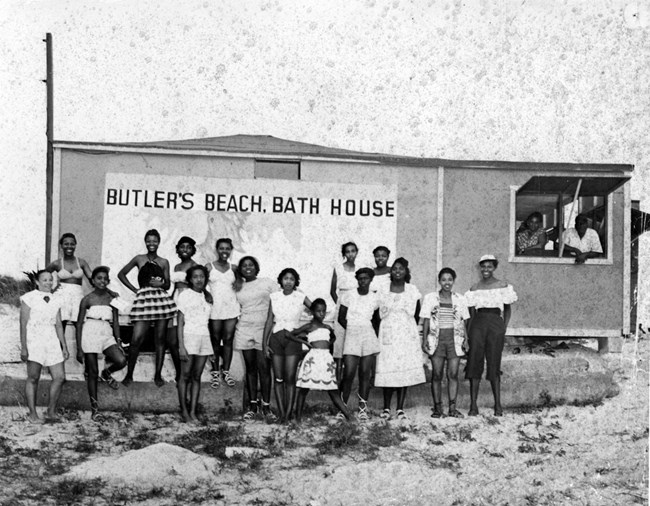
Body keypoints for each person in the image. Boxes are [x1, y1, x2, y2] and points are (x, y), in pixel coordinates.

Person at [118, 229, 175, 387]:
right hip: (144, 299)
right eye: (149, 241)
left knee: (160, 339)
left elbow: (168, 284)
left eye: (154, 241)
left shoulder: (164, 261)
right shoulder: (139, 258)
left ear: (159, 242)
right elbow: (121, 274)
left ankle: (158, 375)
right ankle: (129, 374)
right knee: (136, 339)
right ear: (145, 242)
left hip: (160, 300)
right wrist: (135, 290)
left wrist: (161, 284)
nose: (152, 243)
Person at [464, 255, 517, 417]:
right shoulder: (474, 288)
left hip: (495, 323)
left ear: (494, 268)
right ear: (480, 268)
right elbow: (470, 313)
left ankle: (498, 405)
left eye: (489, 267)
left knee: (494, 361)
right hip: (478, 324)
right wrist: (468, 334)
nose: (486, 270)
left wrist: (503, 327)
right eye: (483, 267)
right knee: (474, 360)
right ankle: (473, 405)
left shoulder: (502, 286)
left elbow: (507, 309)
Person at [375, 258, 424, 420]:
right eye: (394, 268)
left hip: (405, 332)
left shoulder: (411, 289)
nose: (397, 271)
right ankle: (387, 407)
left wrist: (409, 330)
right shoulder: (383, 289)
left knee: (404, 367)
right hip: (388, 330)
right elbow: (376, 313)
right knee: (388, 367)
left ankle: (400, 408)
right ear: (391, 271)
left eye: (401, 269)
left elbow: (416, 313)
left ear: (406, 271)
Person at [76, 266, 127, 420]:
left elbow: (116, 322)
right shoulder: (87, 299)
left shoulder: (113, 298)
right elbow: (79, 324)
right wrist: (79, 348)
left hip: (106, 331)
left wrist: (118, 341)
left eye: (105, 278)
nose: (102, 281)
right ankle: (95, 409)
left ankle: (106, 373)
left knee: (121, 360)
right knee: (92, 372)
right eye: (99, 278)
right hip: (90, 331)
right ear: (92, 280)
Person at [19, 270, 69, 423]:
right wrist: (24, 347)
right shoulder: (29, 298)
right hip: (35, 339)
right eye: (45, 280)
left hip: (52, 339)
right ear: (37, 282)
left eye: (50, 280)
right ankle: (33, 414)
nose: (48, 282)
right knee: (33, 377)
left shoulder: (56, 299)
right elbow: (23, 323)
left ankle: (51, 411)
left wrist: (64, 346)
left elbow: (59, 325)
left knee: (59, 377)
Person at [420, 267, 470, 418]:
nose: (446, 283)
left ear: (454, 281)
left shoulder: (460, 299)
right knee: (436, 374)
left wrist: (466, 340)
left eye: (449, 279)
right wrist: (424, 340)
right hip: (437, 339)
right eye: (443, 280)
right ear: (439, 281)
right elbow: (427, 320)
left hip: (454, 339)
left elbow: (463, 322)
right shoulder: (430, 298)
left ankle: (452, 409)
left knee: (453, 374)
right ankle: (437, 408)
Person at [293, 299, 352, 422]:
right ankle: (298, 417)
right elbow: (291, 334)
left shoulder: (327, 327)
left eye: (324, 311)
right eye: (318, 311)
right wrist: (305, 343)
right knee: (304, 388)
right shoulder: (309, 326)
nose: (321, 314)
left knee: (332, 389)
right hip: (313, 358)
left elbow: (333, 337)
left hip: (325, 359)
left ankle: (349, 416)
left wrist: (327, 346)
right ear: (312, 312)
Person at [265, 268, 311, 422]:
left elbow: (316, 311)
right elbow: (269, 320)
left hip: (293, 338)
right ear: (281, 280)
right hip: (276, 337)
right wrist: (265, 343)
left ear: (295, 281)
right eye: (285, 278)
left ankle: (288, 413)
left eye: (292, 279)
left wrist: (304, 331)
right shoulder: (274, 297)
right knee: (278, 378)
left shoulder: (300, 296)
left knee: (290, 378)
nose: (288, 281)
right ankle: (281, 413)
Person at [234, 256, 277, 421]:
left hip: (263, 329)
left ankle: (266, 406)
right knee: (250, 369)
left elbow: (283, 299)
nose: (248, 267)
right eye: (244, 265)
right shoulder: (238, 286)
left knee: (264, 368)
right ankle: (252, 405)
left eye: (251, 265)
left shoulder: (267, 283)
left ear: (256, 267)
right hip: (244, 328)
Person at [338, 267, 380, 421]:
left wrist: (368, 331)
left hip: (367, 333)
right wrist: (352, 330)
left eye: (366, 278)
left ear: (370, 280)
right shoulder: (349, 295)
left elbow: (376, 319)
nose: (363, 281)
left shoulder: (375, 298)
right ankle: (343, 408)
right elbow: (341, 317)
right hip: (352, 332)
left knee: (365, 373)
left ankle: (362, 407)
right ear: (357, 280)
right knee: (348, 372)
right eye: (360, 278)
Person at [176, 265, 213, 423]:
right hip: (189, 336)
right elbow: (180, 322)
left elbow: (208, 322)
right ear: (190, 279)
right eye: (195, 277)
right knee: (185, 376)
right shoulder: (185, 295)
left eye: (202, 276)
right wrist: (181, 346)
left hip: (204, 337)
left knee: (197, 376)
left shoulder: (208, 296)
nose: (199, 279)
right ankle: (184, 411)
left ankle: (193, 411)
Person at [205, 238, 240, 389]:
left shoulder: (235, 268)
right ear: (217, 250)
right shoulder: (209, 266)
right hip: (215, 308)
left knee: (228, 339)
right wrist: (206, 293)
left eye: (227, 248)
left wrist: (239, 282)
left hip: (231, 308)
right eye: (221, 248)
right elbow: (200, 283)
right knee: (215, 339)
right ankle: (215, 372)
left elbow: (239, 283)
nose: (224, 251)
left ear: (231, 250)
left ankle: (226, 370)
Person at [167, 236, 199, 381]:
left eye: (188, 247)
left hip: (189, 300)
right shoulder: (176, 267)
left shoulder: (194, 266)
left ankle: (189, 374)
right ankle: (180, 372)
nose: (185, 249)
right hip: (176, 300)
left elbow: (198, 286)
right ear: (178, 249)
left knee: (188, 338)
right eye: (182, 247)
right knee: (172, 340)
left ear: (193, 250)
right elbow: (174, 286)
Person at [46, 233, 93, 330]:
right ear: (61, 246)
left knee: (79, 324)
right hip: (62, 294)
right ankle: (60, 345)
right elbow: (42, 277)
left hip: (77, 294)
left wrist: (108, 291)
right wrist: (49, 292)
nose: (69, 246)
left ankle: (80, 345)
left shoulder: (81, 262)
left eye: (72, 244)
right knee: (60, 324)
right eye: (66, 244)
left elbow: (93, 279)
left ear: (75, 245)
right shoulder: (56, 263)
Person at [330, 241, 359, 385]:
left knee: (353, 343)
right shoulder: (339, 268)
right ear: (344, 254)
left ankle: (349, 382)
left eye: (353, 251)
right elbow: (332, 291)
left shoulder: (360, 268)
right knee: (339, 344)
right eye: (347, 251)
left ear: (357, 252)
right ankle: (337, 380)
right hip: (341, 307)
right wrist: (340, 307)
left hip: (356, 308)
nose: (350, 254)